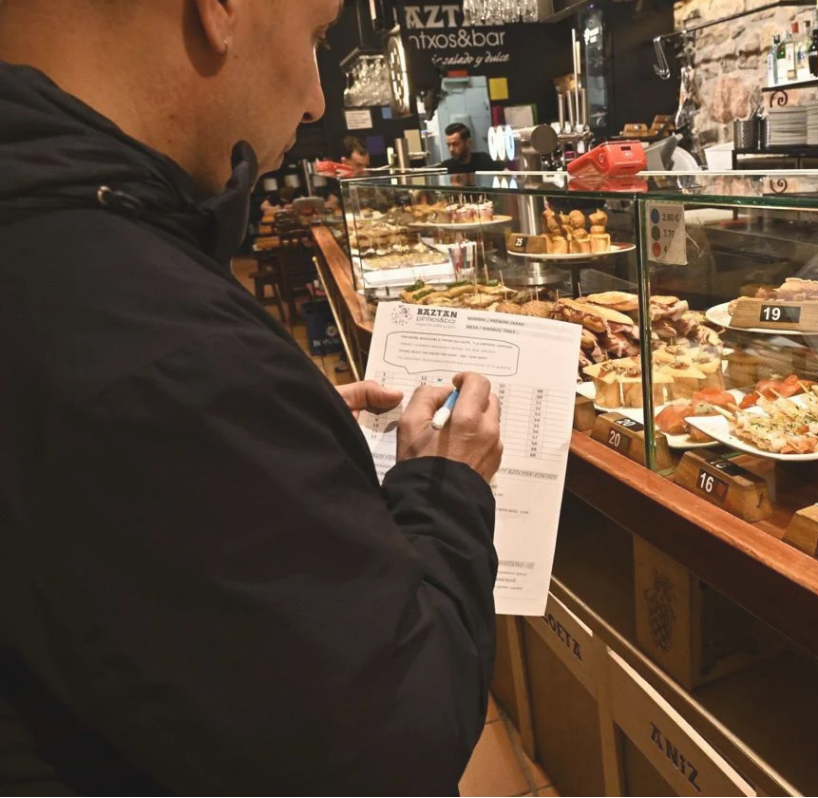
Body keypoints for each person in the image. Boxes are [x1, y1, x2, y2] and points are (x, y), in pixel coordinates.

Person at [0, 1, 502, 794]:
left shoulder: (63, 256)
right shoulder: (166, 358)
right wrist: (446, 487)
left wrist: (274, 440)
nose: (316, 101)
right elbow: (397, 742)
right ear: (220, 10)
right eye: (318, 35)